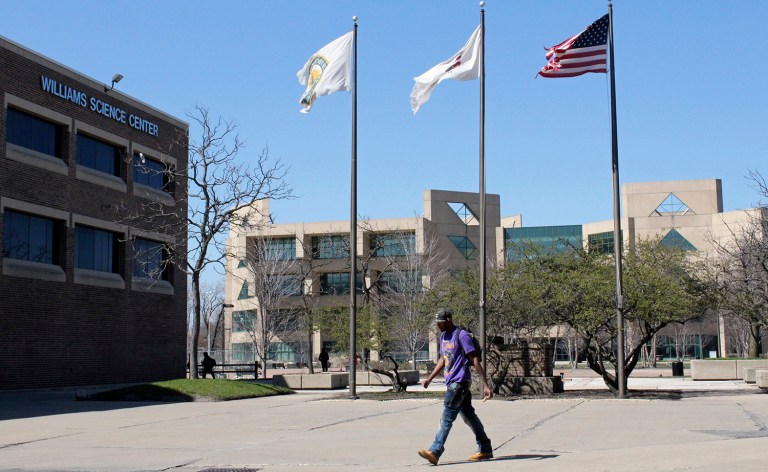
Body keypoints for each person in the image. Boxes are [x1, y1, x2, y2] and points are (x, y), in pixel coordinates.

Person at [418, 308, 493, 465]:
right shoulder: (443, 336)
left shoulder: (462, 335)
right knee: (470, 417)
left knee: (447, 417)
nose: (438, 326)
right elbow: (443, 359)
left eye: (440, 323)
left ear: (449, 321)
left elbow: (474, 360)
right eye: (437, 323)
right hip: (453, 382)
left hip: (459, 383)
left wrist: (485, 385)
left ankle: (435, 451)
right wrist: (429, 379)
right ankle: (485, 448)